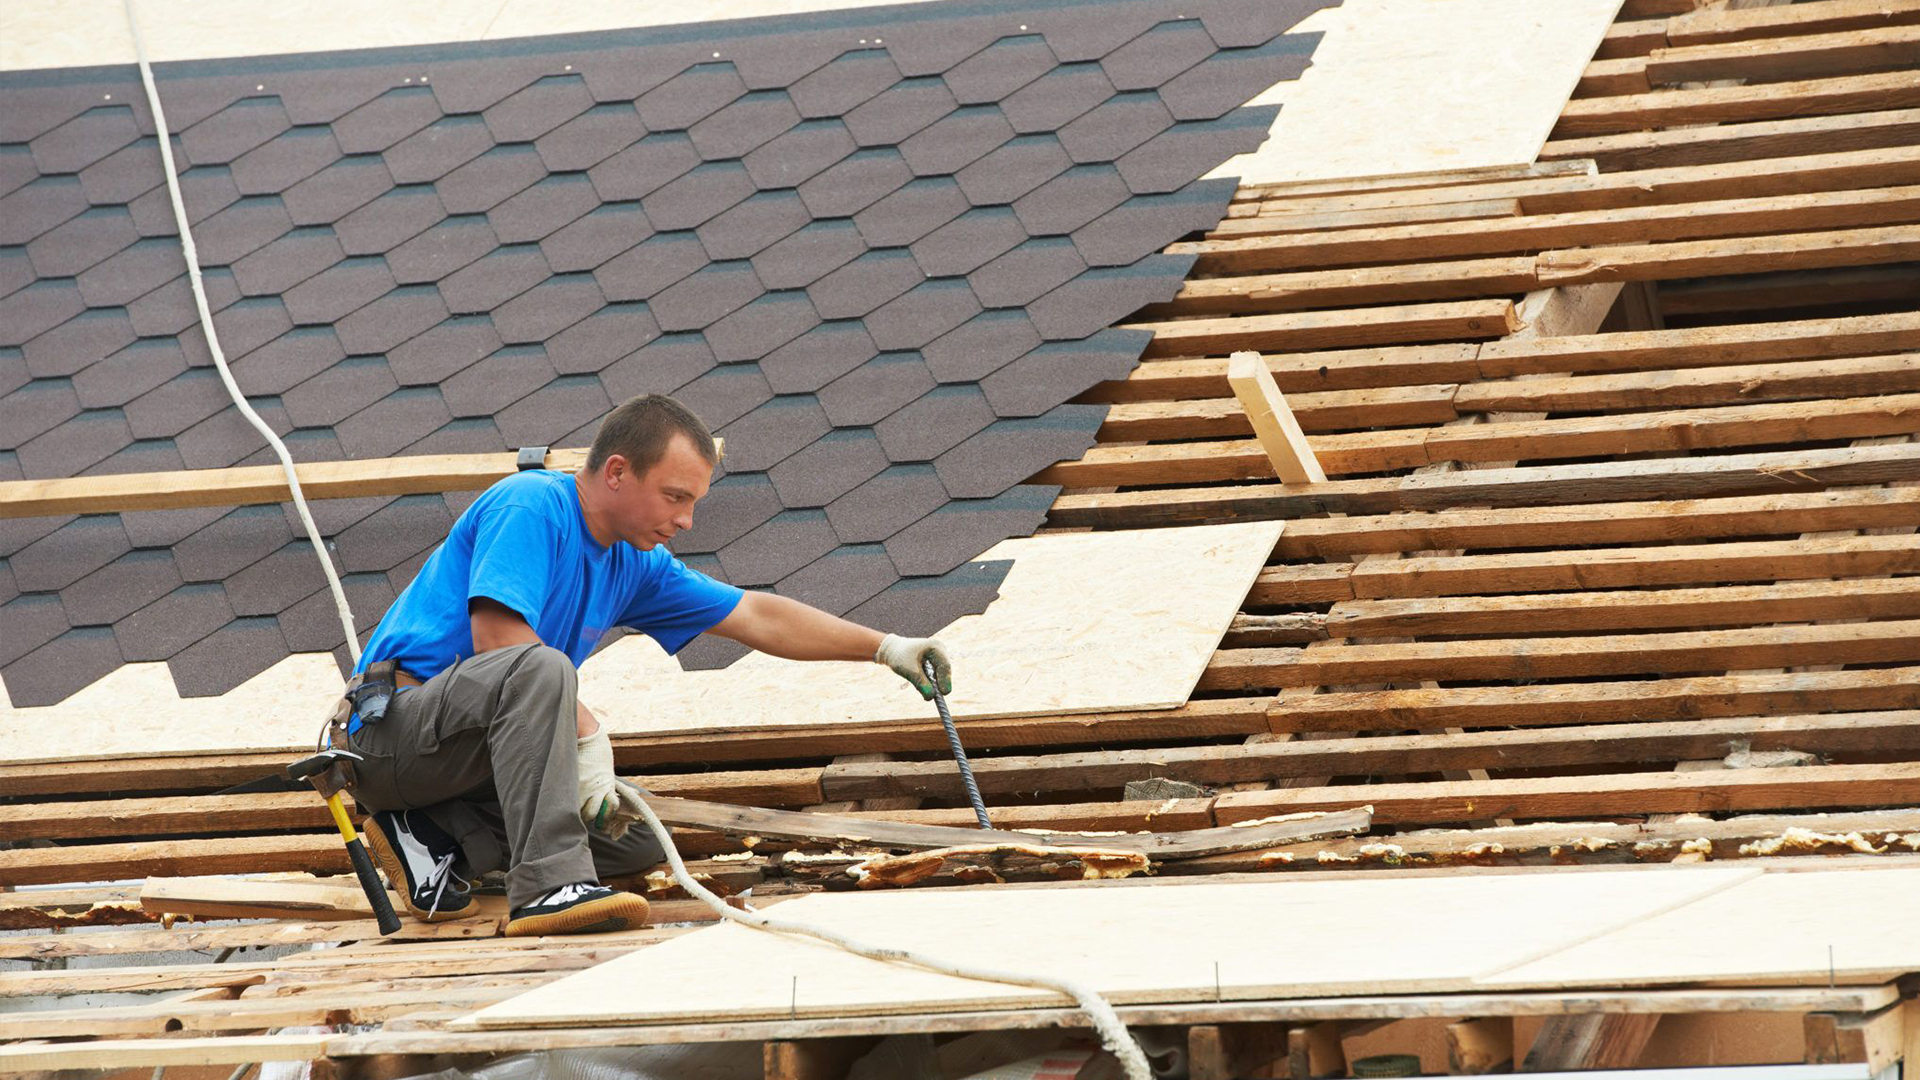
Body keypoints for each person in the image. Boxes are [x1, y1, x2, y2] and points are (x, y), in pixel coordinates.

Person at [336, 394, 951, 937]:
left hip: (461, 760)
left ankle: (431, 837)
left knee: (631, 840)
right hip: (387, 736)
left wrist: (886, 646)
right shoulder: (531, 504)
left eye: (693, 503)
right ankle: (547, 891)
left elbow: (756, 616)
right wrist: (588, 737)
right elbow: (499, 640)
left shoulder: (634, 562)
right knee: (542, 669)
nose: (685, 520)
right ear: (617, 472)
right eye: (675, 496)